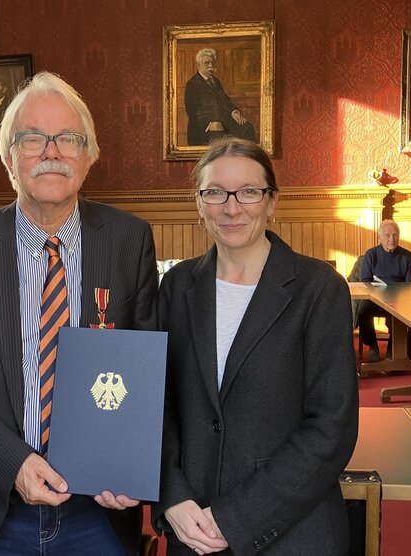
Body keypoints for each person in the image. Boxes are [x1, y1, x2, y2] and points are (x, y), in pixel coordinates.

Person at [0, 71, 158, 555]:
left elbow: (148, 373)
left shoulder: (129, 241)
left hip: (100, 513)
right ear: (8, 157)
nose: (52, 151)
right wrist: (13, 463)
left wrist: (129, 461)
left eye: (68, 138)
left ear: (88, 157)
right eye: (32, 139)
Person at [153, 137, 358, 555]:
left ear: (271, 201)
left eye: (248, 191)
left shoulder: (318, 289)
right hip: (191, 530)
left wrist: (234, 518)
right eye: (215, 192)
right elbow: (162, 404)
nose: (232, 207)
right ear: (199, 203)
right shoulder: (177, 286)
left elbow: (330, 428)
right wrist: (172, 496)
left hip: (290, 532)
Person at [357, 220, 411, 363]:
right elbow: (364, 280)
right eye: (388, 235)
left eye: (395, 235)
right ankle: (372, 345)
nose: (392, 239)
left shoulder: (407, 256)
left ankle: (393, 348)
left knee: (401, 313)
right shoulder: (371, 254)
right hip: (374, 297)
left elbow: (410, 284)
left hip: (398, 299)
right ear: (380, 238)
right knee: (362, 311)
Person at [184, 48, 256, 146]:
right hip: (203, 128)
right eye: (206, 63)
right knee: (220, 141)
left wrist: (234, 112)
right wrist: (209, 125)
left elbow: (225, 101)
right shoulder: (192, 84)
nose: (210, 66)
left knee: (247, 128)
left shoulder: (215, 81)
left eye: (212, 63)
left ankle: (250, 159)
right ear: (198, 65)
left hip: (223, 121)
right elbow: (192, 112)